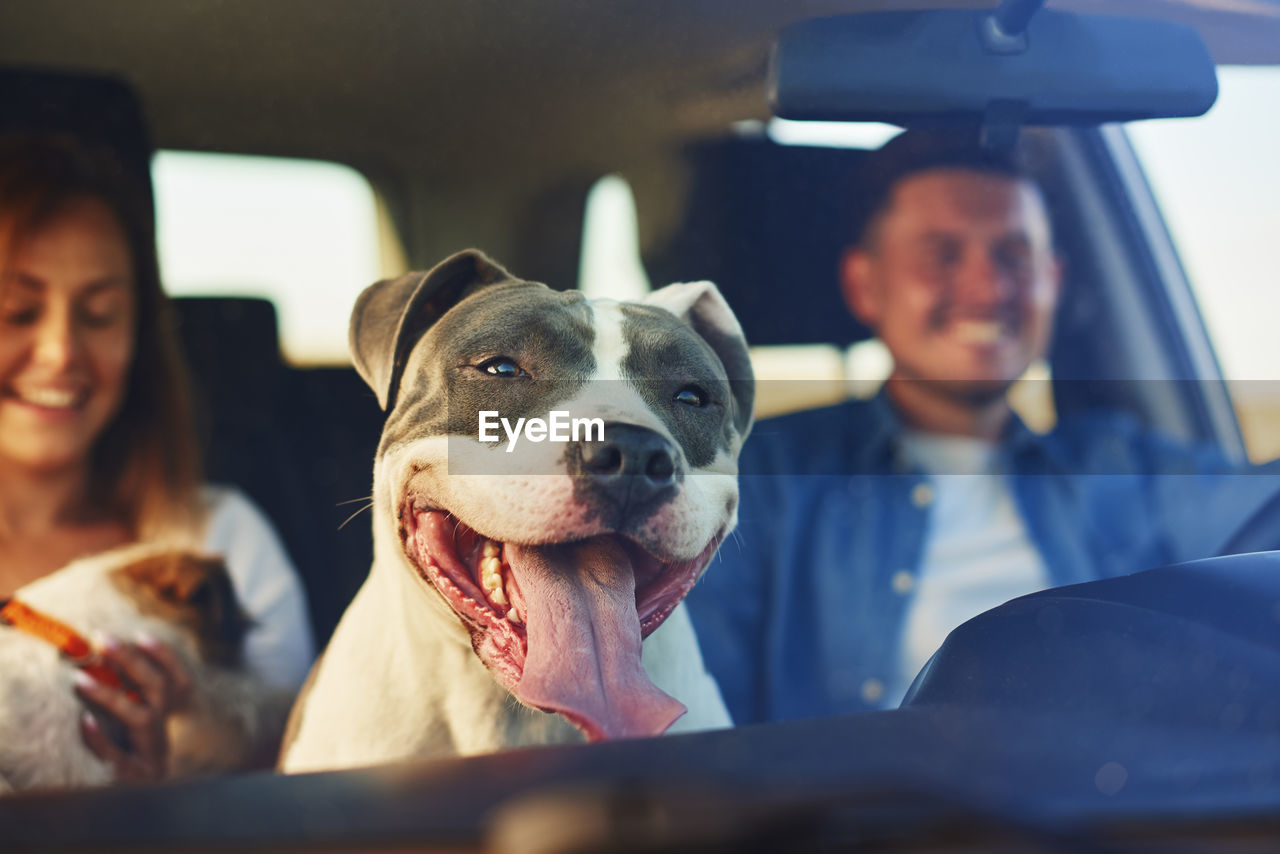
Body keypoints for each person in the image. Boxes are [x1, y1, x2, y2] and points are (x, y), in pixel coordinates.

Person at [686, 129, 1278, 725]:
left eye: (1013, 255)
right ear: (865, 285)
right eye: (942, 254)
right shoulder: (760, 480)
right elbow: (695, 727)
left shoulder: (1122, 466)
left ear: (1054, 280)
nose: (987, 288)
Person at [0, 134, 314, 781]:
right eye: (18, 310)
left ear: (140, 335)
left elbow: (302, 775)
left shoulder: (219, 541)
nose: (61, 351)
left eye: (101, 313)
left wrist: (175, 779)